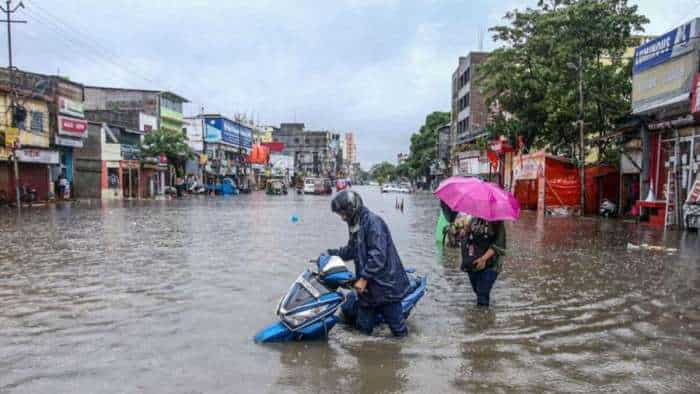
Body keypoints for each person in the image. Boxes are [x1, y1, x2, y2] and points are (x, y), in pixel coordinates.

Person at [327, 190, 410, 337]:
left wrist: (364, 278)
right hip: (367, 290)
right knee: (361, 333)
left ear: (352, 208)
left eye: (342, 213)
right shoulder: (355, 224)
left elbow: (378, 255)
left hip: (386, 287)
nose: (342, 218)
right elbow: (351, 250)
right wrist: (331, 254)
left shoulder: (373, 222)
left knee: (399, 332)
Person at [459, 217, 506, 307]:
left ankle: (484, 317)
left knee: (482, 292)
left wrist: (483, 259)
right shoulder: (473, 220)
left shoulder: (498, 223)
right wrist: (464, 232)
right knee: (477, 290)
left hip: (491, 264)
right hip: (473, 263)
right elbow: (467, 237)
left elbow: (499, 245)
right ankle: (480, 316)